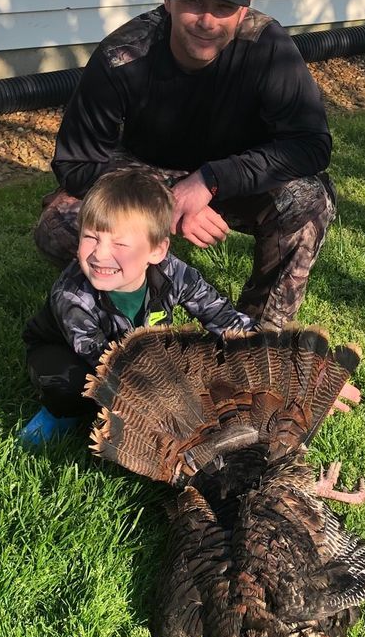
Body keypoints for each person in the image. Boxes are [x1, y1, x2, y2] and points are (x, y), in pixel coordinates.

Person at [34, 0, 336, 330]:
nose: (207, 20)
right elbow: (75, 163)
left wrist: (211, 181)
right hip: (146, 171)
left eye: (223, 7)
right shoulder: (122, 55)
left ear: (245, 7)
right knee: (60, 225)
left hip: (232, 176)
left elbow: (311, 145)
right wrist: (169, 202)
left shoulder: (268, 48)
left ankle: (261, 336)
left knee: (309, 200)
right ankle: (135, 307)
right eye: (193, 0)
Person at [19, 167, 255, 446]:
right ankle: (58, 414)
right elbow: (101, 361)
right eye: (91, 237)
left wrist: (257, 349)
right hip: (70, 352)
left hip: (136, 349)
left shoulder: (174, 273)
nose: (100, 254)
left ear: (157, 251)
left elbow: (220, 314)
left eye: (120, 243)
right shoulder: (72, 295)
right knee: (70, 386)